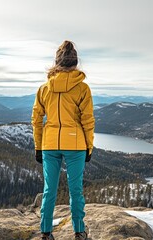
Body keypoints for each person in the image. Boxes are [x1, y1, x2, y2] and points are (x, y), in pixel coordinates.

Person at [31, 40, 95, 240]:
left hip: (49, 144)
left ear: (56, 63)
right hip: (75, 145)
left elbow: (36, 119)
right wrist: (89, 147)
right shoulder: (82, 88)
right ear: (75, 63)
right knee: (75, 190)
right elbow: (88, 121)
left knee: (49, 189)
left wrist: (38, 147)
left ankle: (46, 232)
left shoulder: (44, 89)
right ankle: (79, 231)